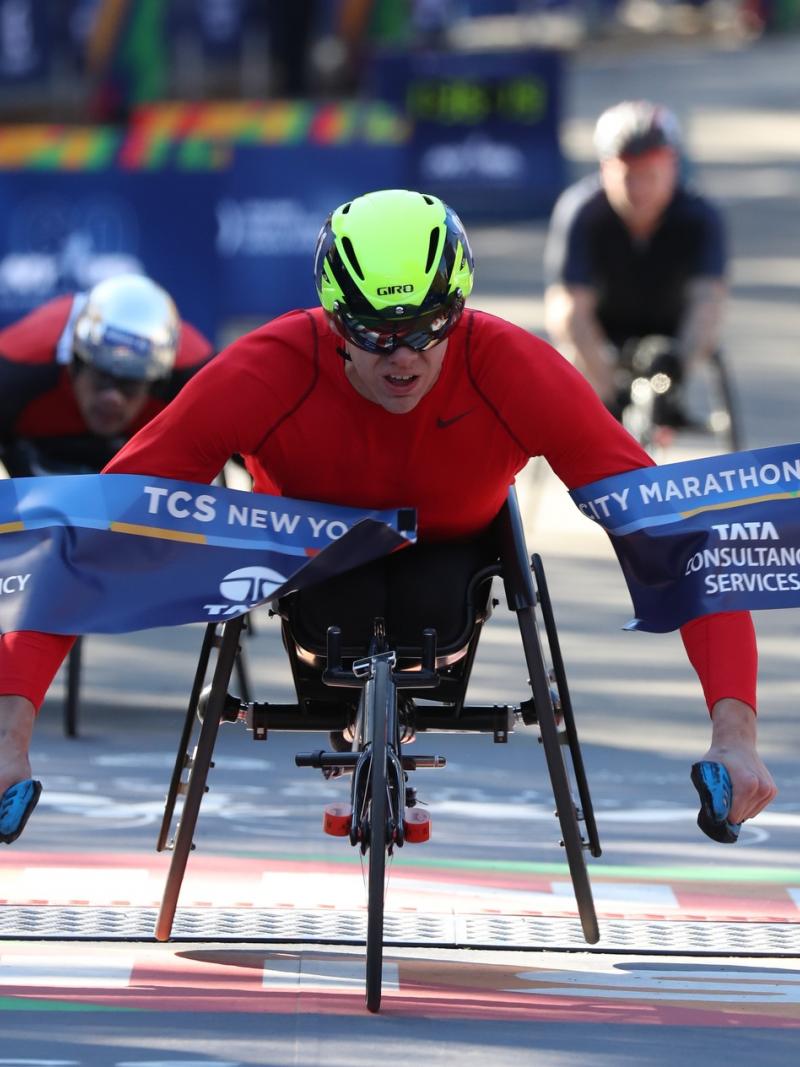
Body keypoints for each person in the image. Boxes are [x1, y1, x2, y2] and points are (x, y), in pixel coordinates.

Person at [0, 188, 776, 845]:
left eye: (428, 328)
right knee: (343, 603)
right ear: (333, 318)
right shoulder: (263, 370)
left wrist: (735, 736)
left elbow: (674, 536)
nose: (402, 358)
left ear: (460, 309)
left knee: (429, 598)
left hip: (453, 556)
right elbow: (92, 534)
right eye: (372, 334)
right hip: (307, 562)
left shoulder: (516, 368)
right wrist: (11, 733)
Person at [543, 99, 727, 426]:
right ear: (605, 170)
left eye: (651, 174)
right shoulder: (581, 212)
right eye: (628, 176)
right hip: (604, 328)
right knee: (569, 322)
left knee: (708, 314)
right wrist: (609, 390)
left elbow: (708, 301)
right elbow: (568, 305)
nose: (639, 189)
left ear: (672, 166)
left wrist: (679, 369)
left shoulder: (700, 216)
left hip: (673, 329)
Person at [0, 273, 214, 478]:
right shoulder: (15, 375)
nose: (112, 398)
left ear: (156, 383)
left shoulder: (197, 382)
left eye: (130, 384)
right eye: (102, 378)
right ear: (75, 365)